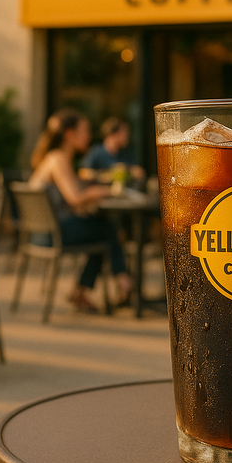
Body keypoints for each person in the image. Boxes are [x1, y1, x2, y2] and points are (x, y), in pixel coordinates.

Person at [28, 109, 133, 311]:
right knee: (106, 229)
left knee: (101, 230)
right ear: (70, 134)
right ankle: (124, 284)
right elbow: (75, 199)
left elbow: (73, 197)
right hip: (50, 234)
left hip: (40, 233)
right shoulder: (58, 159)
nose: (89, 136)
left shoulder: (54, 158)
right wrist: (104, 191)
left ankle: (86, 292)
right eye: (85, 131)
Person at [79, 117, 145, 184]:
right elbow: (83, 173)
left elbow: (139, 172)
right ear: (113, 134)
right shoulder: (96, 152)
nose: (127, 137)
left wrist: (126, 171)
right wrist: (107, 175)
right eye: (124, 133)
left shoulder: (124, 153)